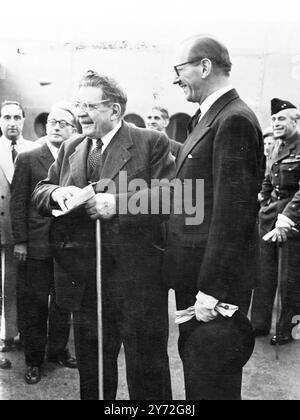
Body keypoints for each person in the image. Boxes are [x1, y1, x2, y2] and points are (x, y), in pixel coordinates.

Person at [33, 71, 174, 400]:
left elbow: (173, 196)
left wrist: (119, 204)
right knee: (93, 372)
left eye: (87, 105)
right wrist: (58, 194)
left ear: (114, 110)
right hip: (85, 284)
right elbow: (42, 190)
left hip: (137, 284)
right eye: (77, 103)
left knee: (147, 371)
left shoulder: (150, 141)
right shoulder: (72, 146)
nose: (79, 112)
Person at [162, 34, 264, 400]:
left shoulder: (233, 119)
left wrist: (212, 291)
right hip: (198, 279)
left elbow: (232, 215)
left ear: (204, 66)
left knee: (211, 382)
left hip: (211, 288)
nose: (176, 80)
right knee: (199, 376)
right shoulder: (207, 117)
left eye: (179, 70)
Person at [10, 103, 78, 385]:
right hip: (36, 246)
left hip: (68, 247)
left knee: (63, 304)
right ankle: (34, 360)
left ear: (73, 129)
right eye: (52, 122)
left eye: (63, 123)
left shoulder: (79, 157)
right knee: (34, 305)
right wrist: (21, 242)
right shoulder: (28, 158)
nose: (57, 127)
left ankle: (58, 351)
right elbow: (18, 204)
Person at [251, 98, 300, 345]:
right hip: (270, 215)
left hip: (293, 220)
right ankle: (258, 324)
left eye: (281, 119)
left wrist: (287, 217)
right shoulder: (275, 146)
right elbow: (269, 179)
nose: (276, 123)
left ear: (296, 120)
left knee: (289, 278)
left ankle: (286, 330)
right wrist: (262, 201)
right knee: (263, 273)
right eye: (273, 119)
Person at [0, 101, 39, 354]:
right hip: (0, 226)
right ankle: (4, 335)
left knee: (19, 285)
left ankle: (16, 332)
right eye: (7, 117)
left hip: (23, 231)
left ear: (24, 120)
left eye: (17, 117)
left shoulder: (35, 150)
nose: (12, 122)